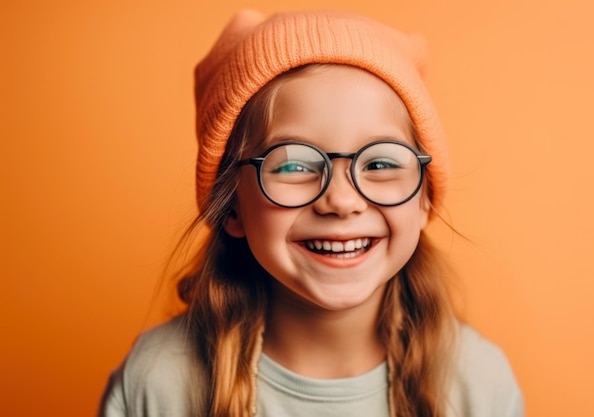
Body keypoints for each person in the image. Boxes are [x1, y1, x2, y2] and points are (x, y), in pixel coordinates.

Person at [98, 9, 524, 417]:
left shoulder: (479, 383)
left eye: (379, 163)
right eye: (294, 165)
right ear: (232, 206)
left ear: (423, 197)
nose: (341, 201)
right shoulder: (158, 383)